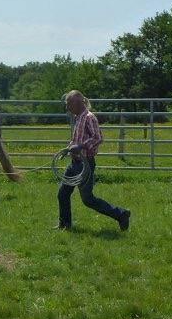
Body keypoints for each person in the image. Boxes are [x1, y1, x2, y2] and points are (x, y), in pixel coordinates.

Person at [55, 90, 131, 231]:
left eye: (69, 104)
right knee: (62, 194)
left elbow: (98, 138)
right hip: (74, 164)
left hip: (85, 165)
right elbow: (77, 138)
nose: (67, 107)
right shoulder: (78, 117)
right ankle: (64, 224)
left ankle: (121, 214)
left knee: (88, 199)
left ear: (78, 103)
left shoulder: (90, 117)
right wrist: (69, 148)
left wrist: (81, 146)